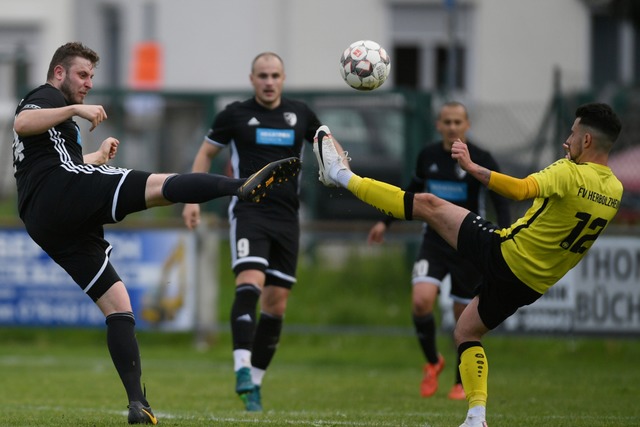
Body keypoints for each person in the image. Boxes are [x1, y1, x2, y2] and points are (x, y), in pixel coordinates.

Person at [12, 42, 299, 425]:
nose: (88, 84)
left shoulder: (54, 117)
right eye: (82, 75)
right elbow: (21, 123)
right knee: (158, 186)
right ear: (59, 73)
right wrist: (75, 109)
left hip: (45, 218)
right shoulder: (44, 97)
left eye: (92, 78)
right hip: (59, 192)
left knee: (118, 303)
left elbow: (54, 158)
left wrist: (95, 158)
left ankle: (137, 404)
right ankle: (241, 186)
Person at [313, 102, 622, 427]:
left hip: (505, 253)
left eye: (572, 133)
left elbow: (520, 190)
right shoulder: (613, 190)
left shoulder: (568, 171)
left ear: (586, 141)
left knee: (429, 205)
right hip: (530, 284)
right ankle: (476, 417)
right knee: (466, 333)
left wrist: (473, 168)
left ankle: (340, 175)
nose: (567, 140)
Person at [182, 52, 343, 412]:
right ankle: (241, 367)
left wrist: (344, 171)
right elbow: (205, 154)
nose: (269, 82)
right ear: (252, 79)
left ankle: (253, 384)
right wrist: (192, 199)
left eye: (275, 75)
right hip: (249, 211)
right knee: (249, 284)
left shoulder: (301, 114)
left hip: (288, 218)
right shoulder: (234, 114)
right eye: (262, 76)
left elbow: (329, 149)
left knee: (276, 304)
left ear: (283, 79)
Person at [366, 101, 511, 400]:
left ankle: (460, 382)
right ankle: (433, 362)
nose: (452, 127)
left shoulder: (480, 158)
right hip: (433, 242)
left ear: (467, 124)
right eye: (447, 122)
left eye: (458, 122)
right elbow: (411, 193)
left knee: (463, 317)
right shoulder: (428, 155)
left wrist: (506, 232)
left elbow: (501, 198)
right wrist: (384, 222)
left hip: (467, 246)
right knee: (421, 301)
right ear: (438, 125)